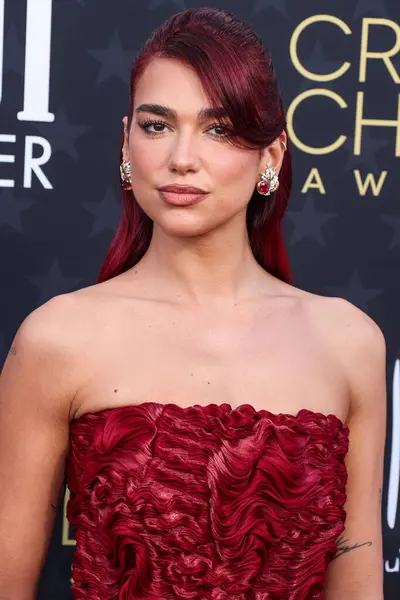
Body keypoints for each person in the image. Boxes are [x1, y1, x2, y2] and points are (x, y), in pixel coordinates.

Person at [0, 7, 386, 600]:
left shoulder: (349, 342)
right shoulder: (57, 339)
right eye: (158, 125)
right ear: (126, 141)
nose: (182, 157)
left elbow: (358, 585)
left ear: (272, 157)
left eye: (218, 127)